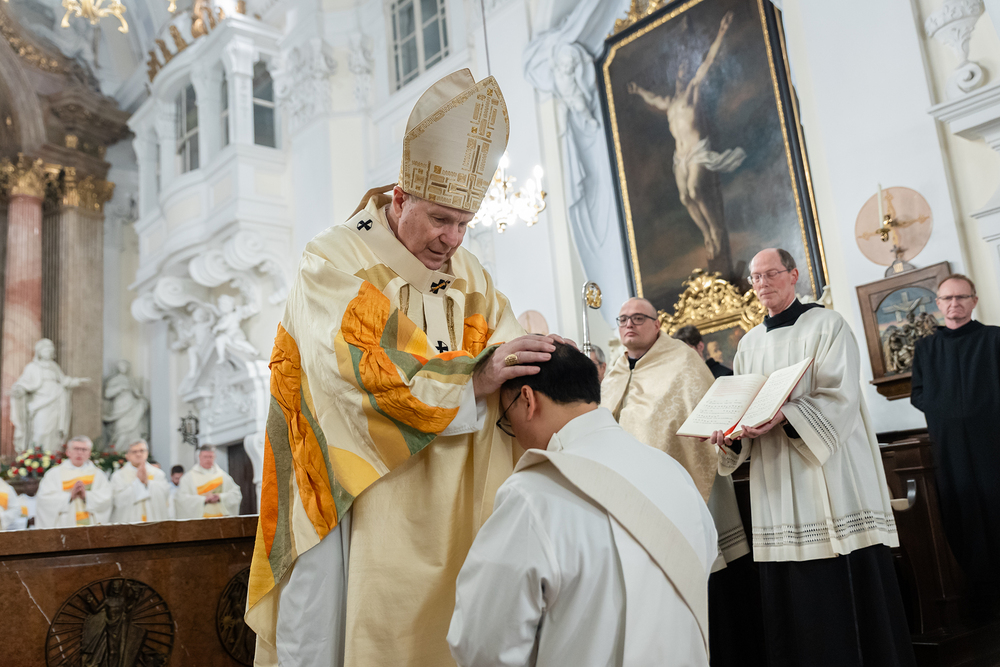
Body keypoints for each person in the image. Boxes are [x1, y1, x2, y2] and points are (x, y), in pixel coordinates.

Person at [245, 69, 556, 667]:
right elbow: (361, 373)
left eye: (464, 223)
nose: (453, 239)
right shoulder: (335, 260)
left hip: (451, 504)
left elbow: (505, 347)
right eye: (441, 219)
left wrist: (538, 357)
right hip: (356, 497)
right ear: (400, 198)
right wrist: (477, 378)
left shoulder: (470, 275)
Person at [447, 343, 717, 666]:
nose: (514, 435)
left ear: (527, 400)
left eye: (506, 420)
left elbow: (481, 645)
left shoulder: (533, 495)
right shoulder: (675, 474)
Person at [710, 248, 914, 667]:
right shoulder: (748, 345)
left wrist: (786, 414)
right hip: (775, 480)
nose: (762, 283)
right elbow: (744, 409)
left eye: (771, 274)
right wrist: (729, 436)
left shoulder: (827, 325)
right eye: (755, 277)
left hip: (829, 474)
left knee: (840, 594)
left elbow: (841, 396)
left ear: (794, 275)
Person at [601, 297, 760, 667]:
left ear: (657, 324)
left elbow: (712, 423)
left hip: (688, 490)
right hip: (634, 497)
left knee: (711, 592)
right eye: (622, 319)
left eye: (638, 318)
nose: (629, 324)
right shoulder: (616, 370)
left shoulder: (683, 360)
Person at [911, 273, 1000, 607]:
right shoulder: (926, 347)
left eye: (961, 297)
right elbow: (918, 394)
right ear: (938, 304)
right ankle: (981, 593)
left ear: (974, 301)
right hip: (949, 448)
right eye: (947, 298)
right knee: (962, 513)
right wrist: (949, 412)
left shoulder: (994, 338)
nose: (954, 304)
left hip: (993, 442)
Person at [628, 11, 744, 262]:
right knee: (685, 197)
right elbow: (652, 98)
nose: (681, 76)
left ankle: (715, 229)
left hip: (697, 150)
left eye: (684, 71)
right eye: (678, 73)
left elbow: (708, 61)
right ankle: (706, 233)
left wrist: (722, 31)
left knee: (695, 189)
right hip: (679, 157)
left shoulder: (693, 90)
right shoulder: (670, 103)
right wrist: (638, 91)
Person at [10, 338, 90, 453]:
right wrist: (19, 390)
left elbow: (64, 381)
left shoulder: (54, 366)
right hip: (41, 402)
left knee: (53, 432)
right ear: (39, 352)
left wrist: (78, 381)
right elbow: (23, 383)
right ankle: (35, 456)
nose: (49, 352)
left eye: (50, 350)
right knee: (40, 431)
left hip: (56, 401)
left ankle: (51, 455)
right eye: (46, 350)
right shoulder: (32, 367)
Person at [35, 436, 112, 528]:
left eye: (84, 449)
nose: (80, 452)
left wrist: (86, 496)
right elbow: (44, 499)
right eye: (76, 449)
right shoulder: (54, 474)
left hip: (89, 526)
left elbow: (106, 499)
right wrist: (69, 496)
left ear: (89, 453)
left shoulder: (99, 475)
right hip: (64, 526)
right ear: (68, 452)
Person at [110, 439, 170, 523]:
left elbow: (164, 495)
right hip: (129, 522)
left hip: (153, 521)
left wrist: (148, 484)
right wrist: (138, 483)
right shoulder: (119, 476)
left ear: (147, 453)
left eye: (142, 451)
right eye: (134, 452)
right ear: (128, 455)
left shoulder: (158, 474)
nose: (138, 454)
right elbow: (118, 500)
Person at [174, 447, 241, 519]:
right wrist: (203, 500)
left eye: (211, 457)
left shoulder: (223, 476)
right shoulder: (188, 478)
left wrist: (220, 497)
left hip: (221, 519)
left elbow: (236, 494)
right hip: (200, 521)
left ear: (214, 457)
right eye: (205, 457)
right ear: (199, 457)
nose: (208, 459)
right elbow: (181, 499)